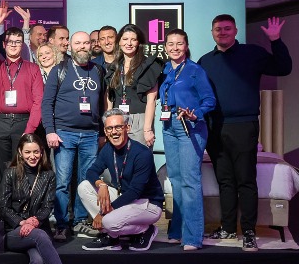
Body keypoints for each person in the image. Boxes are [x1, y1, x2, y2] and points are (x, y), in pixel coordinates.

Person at [199, 15, 292, 251]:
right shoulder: (205, 61)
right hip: (215, 127)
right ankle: (228, 227)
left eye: (227, 28)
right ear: (212, 32)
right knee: (225, 181)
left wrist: (276, 40)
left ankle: (249, 231)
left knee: (246, 180)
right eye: (218, 29)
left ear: (236, 31)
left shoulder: (252, 53)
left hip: (244, 125)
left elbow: (284, 68)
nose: (222, 32)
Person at [0, 133, 90, 264]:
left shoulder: (48, 175)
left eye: (36, 152)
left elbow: (48, 206)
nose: (32, 156)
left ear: (42, 153)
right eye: (28, 152)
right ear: (20, 153)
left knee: (39, 262)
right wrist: (22, 222)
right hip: (14, 232)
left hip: (36, 229)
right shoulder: (11, 173)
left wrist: (34, 221)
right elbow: (3, 207)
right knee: (41, 236)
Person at [42, 31, 105, 240]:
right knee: (63, 182)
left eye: (86, 43)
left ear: (91, 45)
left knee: (86, 182)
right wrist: (50, 131)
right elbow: (47, 103)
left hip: (91, 135)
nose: (82, 47)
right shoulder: (59, 70)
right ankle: (61, 224)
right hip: (64, 134)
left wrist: (102, 132)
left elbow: (102, 105)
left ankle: (80, 221)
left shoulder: (98, 70)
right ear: (70, 46)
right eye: (78, 43)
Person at [160, 29, 216, 251]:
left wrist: (196, 114)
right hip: (168, 126)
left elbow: (210, 100)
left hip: (190, 126)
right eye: (170, 44)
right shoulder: (165, 70)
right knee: (175, 179)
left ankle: (193, 237)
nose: (175, 48)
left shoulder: (195, 70)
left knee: (189, 181)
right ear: (165, 47)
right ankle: (177, 231)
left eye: (179, 43)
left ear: (186, 46)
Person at [79, 109, 164, 251]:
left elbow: (135, 191)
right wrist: (101, 185)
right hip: (125, 199)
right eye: (109, 128)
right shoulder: (108, 149)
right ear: (105, 131)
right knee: (84, 186)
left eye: (118, 127)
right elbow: (91, 171)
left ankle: (145, 230)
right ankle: (112, 237)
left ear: (127, 128)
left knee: (108, 221)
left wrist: (103, 213)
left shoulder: (142, 153)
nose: (114, 132)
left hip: (148, 203)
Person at [0, 5, 44, 201]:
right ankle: (5, 208)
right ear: (4, 44)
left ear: (22, 45)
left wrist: (29, 130)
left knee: (21, 168)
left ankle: (22, 207)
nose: (13, 45)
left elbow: (38, 101)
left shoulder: (32, 69)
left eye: (18, 42)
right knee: (1, 169)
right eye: (10, 41)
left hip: (23, 122)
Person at [106, 24, 161, 147]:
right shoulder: (114, 66)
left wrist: (147, 129)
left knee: (139, 157)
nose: (129, 43)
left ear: (139, 43)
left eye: (133, 39)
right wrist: (108, 122)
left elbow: (151, 100)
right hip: (117, 121)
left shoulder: (148, 65)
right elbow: (110, 98)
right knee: (118, 158)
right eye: (125, 39)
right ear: (119, 42)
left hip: (139, 121)